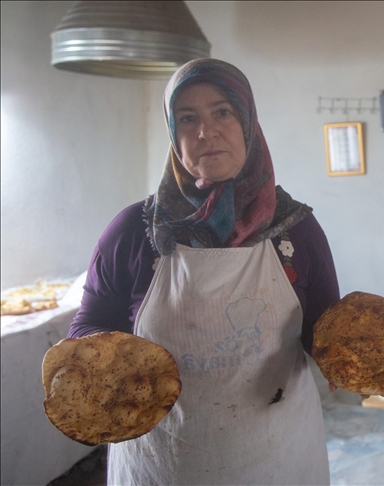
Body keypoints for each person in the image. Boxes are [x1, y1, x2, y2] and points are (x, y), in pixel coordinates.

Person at [67, 59, 341, 485]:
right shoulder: (133, 232)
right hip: (164, 461)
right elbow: (90, 324)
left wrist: (353, 353)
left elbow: (325, 328)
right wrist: (95, 375)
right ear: (172, 134)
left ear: (247, 122)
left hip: (277, 454)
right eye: (187, 118)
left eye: (222, 112)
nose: (205, 132)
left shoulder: (296, 230)